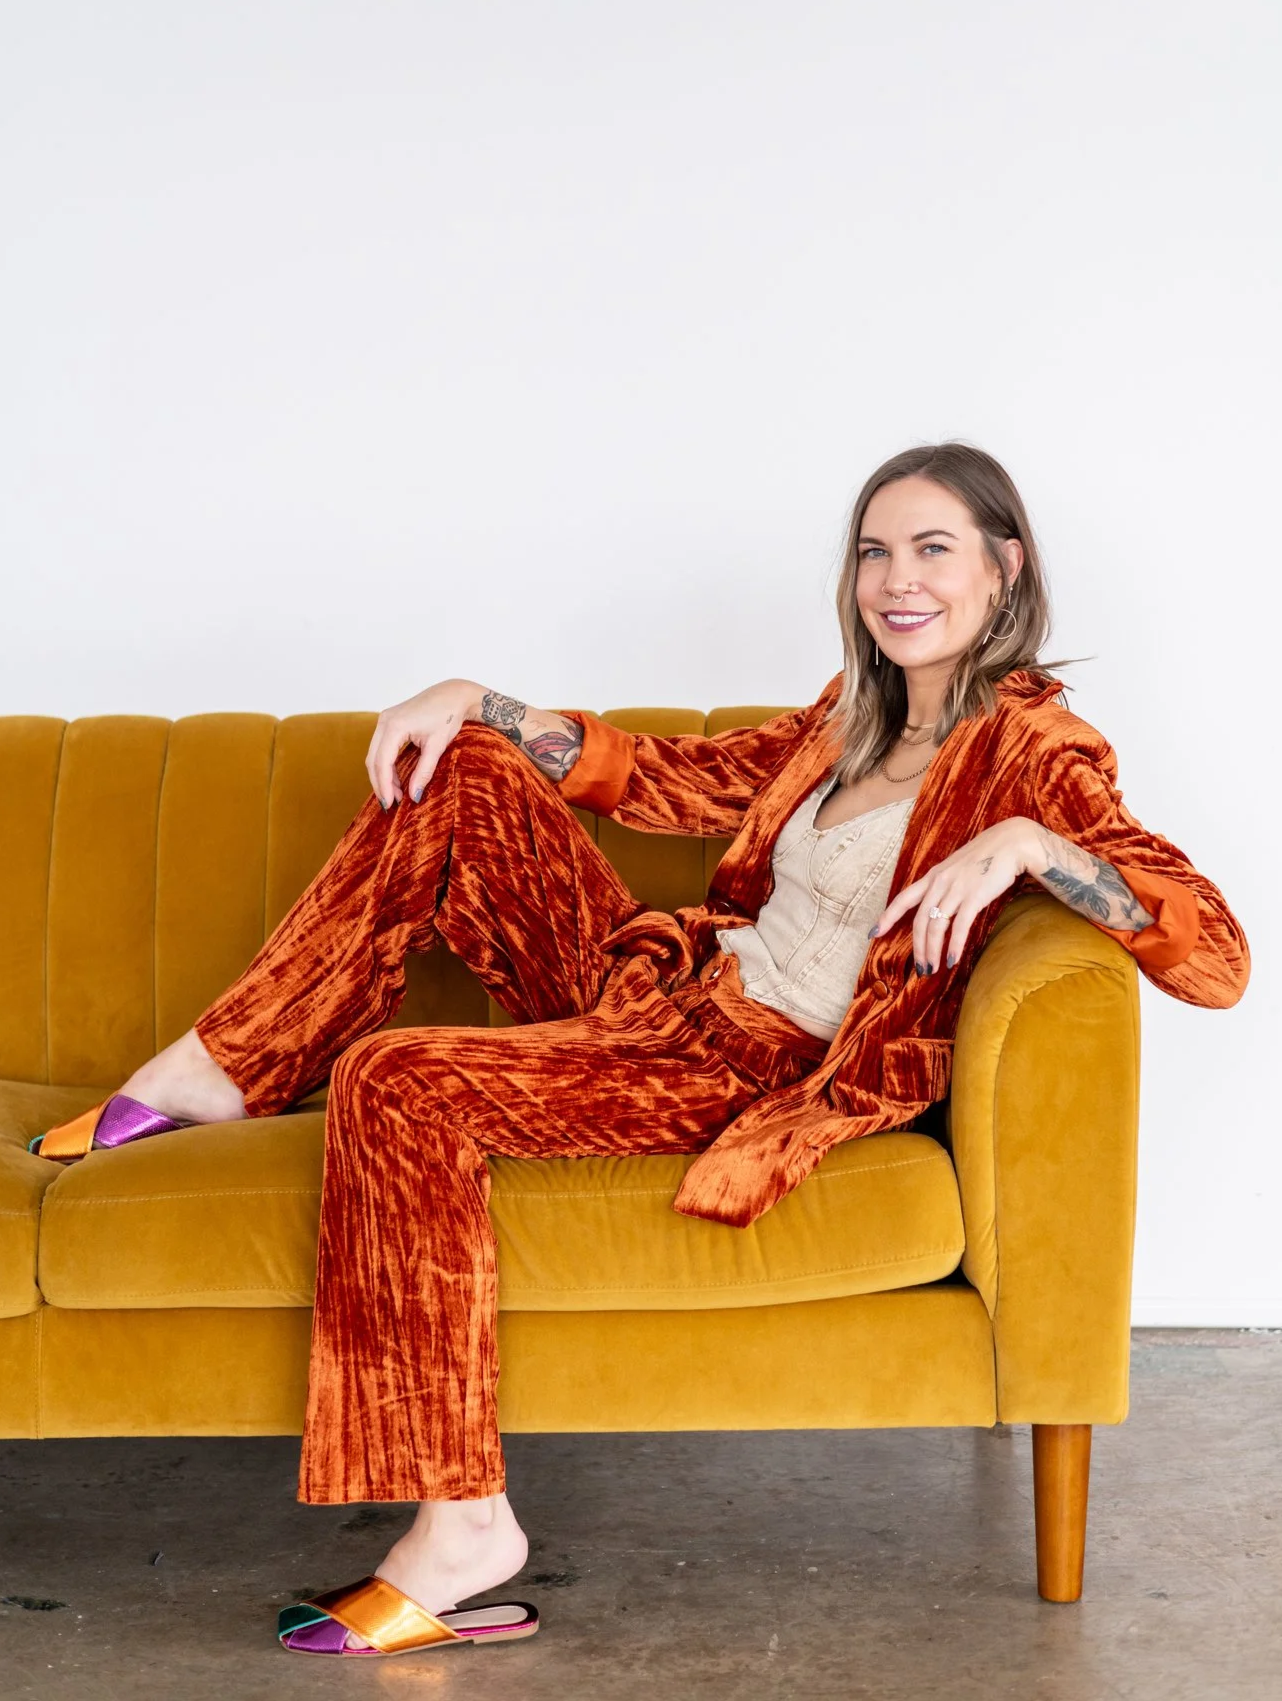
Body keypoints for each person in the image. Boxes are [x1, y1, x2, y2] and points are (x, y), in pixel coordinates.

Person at [30, 442, 1249, 1662]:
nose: (896, 578)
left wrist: (1029, 844)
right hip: (666, 993)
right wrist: (477, 698)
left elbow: (1217, 957)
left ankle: (464, 1526)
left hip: (746, 1065)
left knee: (395, 1078)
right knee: (464, 770)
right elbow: (662, 780)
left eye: (933, 547)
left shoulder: (1036, 751)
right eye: (875, 549)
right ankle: (221, 1069)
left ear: (1003, 565)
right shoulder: (850, 715)